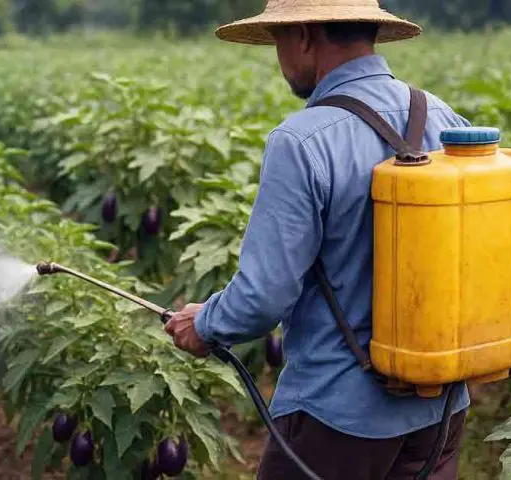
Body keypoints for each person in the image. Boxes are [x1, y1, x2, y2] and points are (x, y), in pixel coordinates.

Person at [164, 1, 472, 478]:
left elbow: (263, 298)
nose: (279, 56)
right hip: (442, 406)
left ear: (304, 36)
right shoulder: (446, 119)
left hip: (338, 415)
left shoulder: (302, 140)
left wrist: (204, 324)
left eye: (278, 40)